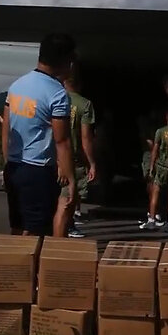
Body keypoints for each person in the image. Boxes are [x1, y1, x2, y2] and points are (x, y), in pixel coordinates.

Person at [0, 33, 78, 236]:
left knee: (17, 226)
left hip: (14, 167)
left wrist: (7, 162)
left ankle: (12, 266)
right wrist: (71, 180)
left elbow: (6, 127)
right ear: (65, 61)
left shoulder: (17, 85)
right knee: (36, 230)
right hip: (38, 170)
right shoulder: (57, 93)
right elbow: (62, 141)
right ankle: (29, 268)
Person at [54, 66, 98, 238]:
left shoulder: (55, 98)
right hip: (73, 160)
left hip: (53, 158)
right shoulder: (84, 104)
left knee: (61, 204)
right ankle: (57, 246)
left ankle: (59, 241)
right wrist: (92, 163)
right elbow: (86, 138)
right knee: (66, 205)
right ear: (80, 84)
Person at [141, 110, 168, 231]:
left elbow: (155, 150)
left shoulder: (161, 131)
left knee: (156, 191)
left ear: (167, 117)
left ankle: (152, 219)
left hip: (162, 165)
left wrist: (152, 166)